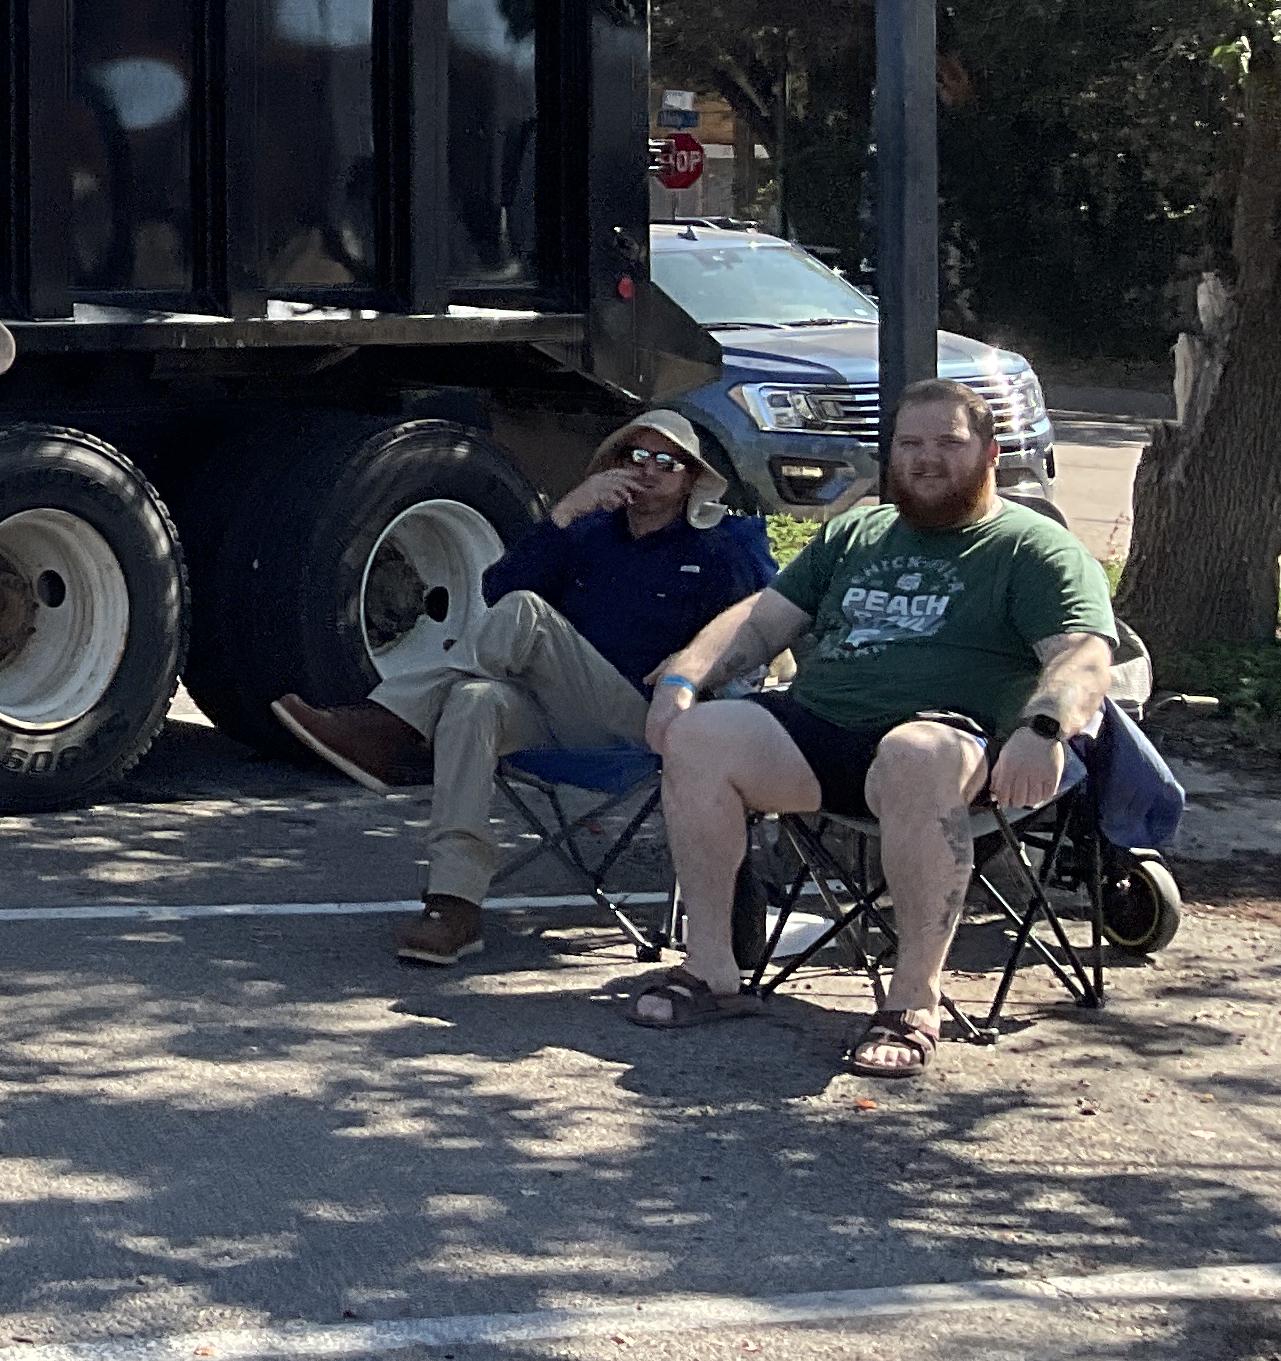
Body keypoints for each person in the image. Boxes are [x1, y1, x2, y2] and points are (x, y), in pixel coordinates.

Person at [622, 377, 1119, 1074]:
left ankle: (912, 1000)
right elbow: (764, 618)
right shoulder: (858, 531)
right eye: (909, 443)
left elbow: (1083, 653)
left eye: (948, 442)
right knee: (701, 735)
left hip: (951, 747)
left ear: (990, 453)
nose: (925, 458)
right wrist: (683, 679)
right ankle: (711, 968)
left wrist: (1044, 726)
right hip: (824, 731)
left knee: (915, 751)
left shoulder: (1030, 547)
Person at [272, 407, 773, 966]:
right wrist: (563, 515)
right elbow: (495, 589)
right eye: (638, 457)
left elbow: (765, 625)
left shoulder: (721, 545)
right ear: (612, 464)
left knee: (527, 615)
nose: (650, 472)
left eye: (668, 462)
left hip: (645, 715)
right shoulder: (586, 533)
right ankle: (454, 906)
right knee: (472, 701)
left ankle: (391, 724)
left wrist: (695, 661)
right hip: (555, 706)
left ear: (692, 477)